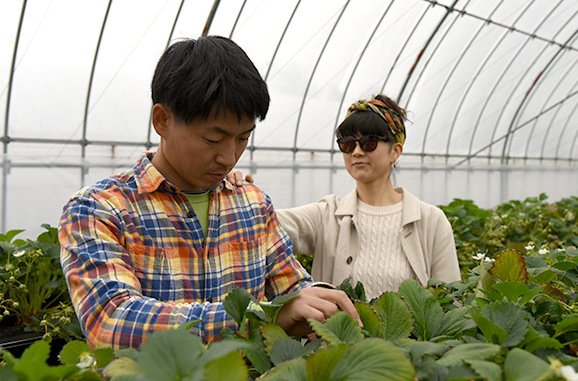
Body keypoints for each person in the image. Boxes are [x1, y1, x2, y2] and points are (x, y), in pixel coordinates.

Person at [58, 35, 360, 350]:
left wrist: (318, 301)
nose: (229, 158)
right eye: (213, 139)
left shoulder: (252, 203)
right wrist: (261, 317)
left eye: (243, 138)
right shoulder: (99, 210)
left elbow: (292, 287)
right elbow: (111, 323)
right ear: (162, 120)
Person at [230, 95, 460, 299]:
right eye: (348, 144)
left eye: (369, 143)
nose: (357, 152)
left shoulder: (430, 221)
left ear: (395, 151)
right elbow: (261, 222)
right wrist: (235, 192)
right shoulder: (327, 216)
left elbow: (449, 300)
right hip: (340, 347)